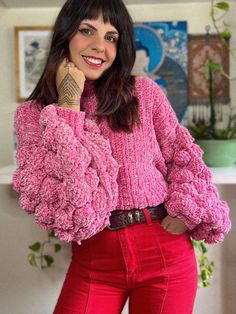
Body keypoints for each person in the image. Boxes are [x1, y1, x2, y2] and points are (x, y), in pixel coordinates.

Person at [12, 0, 231, 313]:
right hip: (94, 262)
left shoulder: (143, 93)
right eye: (87, 31)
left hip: (164, 255)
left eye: (111, 37)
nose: (99, 46)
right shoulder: (33, 116)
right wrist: (69, 105)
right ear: (66, 35)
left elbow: (182, 155)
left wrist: (184, 213)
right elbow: (71, 202)